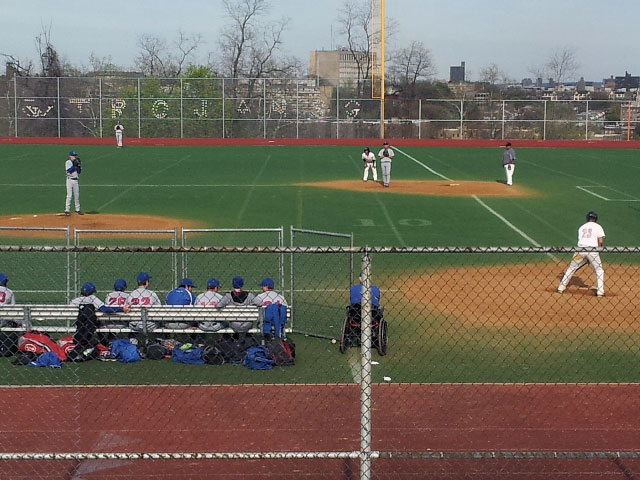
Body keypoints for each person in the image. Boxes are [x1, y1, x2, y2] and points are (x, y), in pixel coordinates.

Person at [557, 211, 605, 297]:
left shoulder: (582, 227)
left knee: (571, 268)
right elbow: (600, 241)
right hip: (593, 251)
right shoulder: (598, 226)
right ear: (596, 219)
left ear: (587, 218)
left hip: (580, 250)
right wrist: (599, 251)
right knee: (599, 270)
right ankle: (600, 292)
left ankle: (561, 287)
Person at [64, 151, 83, 215]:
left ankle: (78, 209)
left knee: (77, 195)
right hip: (69, 180)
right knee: (69, 195)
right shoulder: (68, 162)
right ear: (70, 156)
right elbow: (69, 170)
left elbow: (79, 171)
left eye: (75, 156)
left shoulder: (77, 162)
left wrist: (79, 166)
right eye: (73, 156)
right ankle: (67, 210)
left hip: (75, 181)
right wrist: (75, 166)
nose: (74, 157)